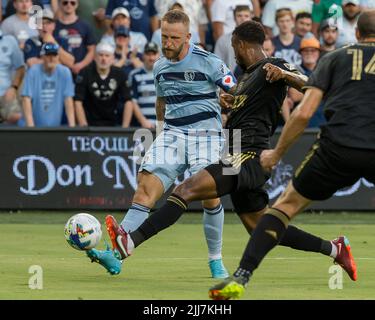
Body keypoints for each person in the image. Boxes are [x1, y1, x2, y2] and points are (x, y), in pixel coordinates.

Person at [102, 21, 356, 297]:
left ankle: (130, 242)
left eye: (234, 47)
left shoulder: (274, 65)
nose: (233, 54)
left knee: (184, 190)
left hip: (249, 155)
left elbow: (310, 85)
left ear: (244, 45)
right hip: (235, 151)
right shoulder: (246, 78)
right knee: (263, 227)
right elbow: (247, 111)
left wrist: (284, 74)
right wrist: (229, 105)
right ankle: (335, 248)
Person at [211, 9, 375, 300]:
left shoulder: (335, 58)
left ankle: (241, 276)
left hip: (337, 147)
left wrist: (276, 153)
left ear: (357, 35)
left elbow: (304, 113)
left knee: (284, 207)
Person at [88, 10, 237, 278]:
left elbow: (236, 93)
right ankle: (115, 255)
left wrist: (229, 101)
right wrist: (159, 134)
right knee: (144, 190)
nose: (167, 42)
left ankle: (216, 260)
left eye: (173, 38)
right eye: (164, 36)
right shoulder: (160, 66)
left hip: (207, 136)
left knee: (210, 197)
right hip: (172, 134)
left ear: (188, 37)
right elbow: (161, 102)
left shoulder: (210, 63)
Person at [74, 42, 133, 127]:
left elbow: (128, 101)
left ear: (112, 58)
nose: (103, 59)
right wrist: (84, 126)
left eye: (107, 55)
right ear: (95, 57)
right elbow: (78, 101)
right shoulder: (85, 73)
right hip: (89, 124)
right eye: (101, 55)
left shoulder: (120, 74)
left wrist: (125, 128)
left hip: (113, 123)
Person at [21, 42, 75, 127]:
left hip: (56, 125)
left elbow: (68, 99)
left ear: (58, 57)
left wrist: (72, 127)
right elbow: (26, 99)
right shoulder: (33, 71)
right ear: (42, 56)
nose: (51, 58)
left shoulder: (65, 72)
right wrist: (31, 128)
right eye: (48, 55)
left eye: (54, 55)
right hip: (33, 124)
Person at [54, 0, 96, 76]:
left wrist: (81, 65)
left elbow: (92, 50)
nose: (69, 5)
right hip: (58, 72)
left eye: (72, 3)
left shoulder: (85, 26)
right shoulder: (53, 26)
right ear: (59, 4)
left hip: (81, 72)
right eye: (65, 2)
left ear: (77, 4)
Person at [124, 42, 160, 128]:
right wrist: (143, 121)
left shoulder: (166, 74)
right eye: (148, 54)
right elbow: (133, 101)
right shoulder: (134, 75)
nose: (151, 58)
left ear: (158, 55)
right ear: (143, 55)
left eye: (154, 54)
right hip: (142, 125)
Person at [214, 5, 253, 73]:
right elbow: (217, 65)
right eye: (239, 16)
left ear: (251, 18)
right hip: (231, 80)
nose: (243, 19)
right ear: (234, 18)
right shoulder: (223, 40)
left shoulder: (256, 39)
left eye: (246, 16)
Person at [0, 30, 25, 124]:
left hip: (6, 93)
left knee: (17, 118)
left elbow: (20, 68)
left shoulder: (10, 40)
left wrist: (13, 88)